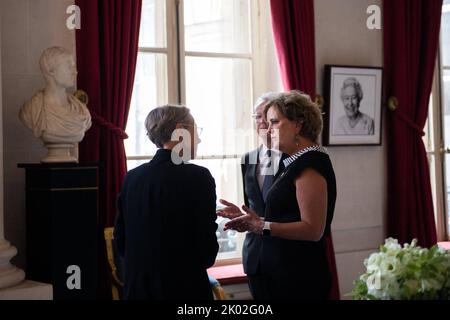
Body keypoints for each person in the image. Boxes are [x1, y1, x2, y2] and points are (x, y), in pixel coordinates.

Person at [220, 91, 336, 300]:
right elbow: (281, 214)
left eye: (274, 121)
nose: (267, 128)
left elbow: (313, 229)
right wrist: (251, 220)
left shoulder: (310, 163)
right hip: (275, 271)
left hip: (299, 275)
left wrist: (260, 226)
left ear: (298, 125)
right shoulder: (295, 161)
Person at [114, 105, 219, 300]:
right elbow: (206, 251)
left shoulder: (132, 178)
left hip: (138, 289)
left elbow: (121, 240)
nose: (199, 139)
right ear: (180, 130)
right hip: (183, 289)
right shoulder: (198, 177)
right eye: (196, 130)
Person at [217, 92, 285, 300]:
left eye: (268, 115)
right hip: (255, 259)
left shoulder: (297, 158)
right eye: (257, 116)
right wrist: (240, 215)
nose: (262, 122)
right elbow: (253, 208)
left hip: (288, 259)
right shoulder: (248, 158)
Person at [19, 46, 91, 162]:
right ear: (51, 70)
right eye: (69, 66)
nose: (75, 71)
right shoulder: (32, 110)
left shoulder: (81, 110)